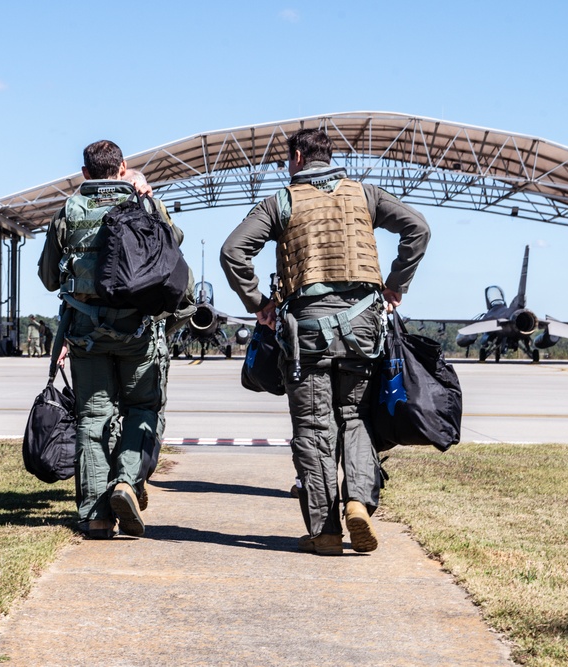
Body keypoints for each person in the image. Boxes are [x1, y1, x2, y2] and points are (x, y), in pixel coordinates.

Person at [220, 128, 430, 555]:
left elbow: (233, 251)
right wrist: (394, 285)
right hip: (363, 329)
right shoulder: (365, 195)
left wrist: (258, 302)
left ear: (298, 156)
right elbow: (418, 229)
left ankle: (326, 531)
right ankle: (358, 502)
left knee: (315, 428)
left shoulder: (280, 202)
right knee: (354, 415)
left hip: (307, 331)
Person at [38, 140, 188, 540]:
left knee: (92, 416)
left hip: (86, 332)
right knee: (142, 407)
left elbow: (50, 277)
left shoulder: (68, 211)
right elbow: (173, 249)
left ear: (85, 173)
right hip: (139, 331)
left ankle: (97, 515)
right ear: (122, 167)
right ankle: (126, 481)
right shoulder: (146, 205)